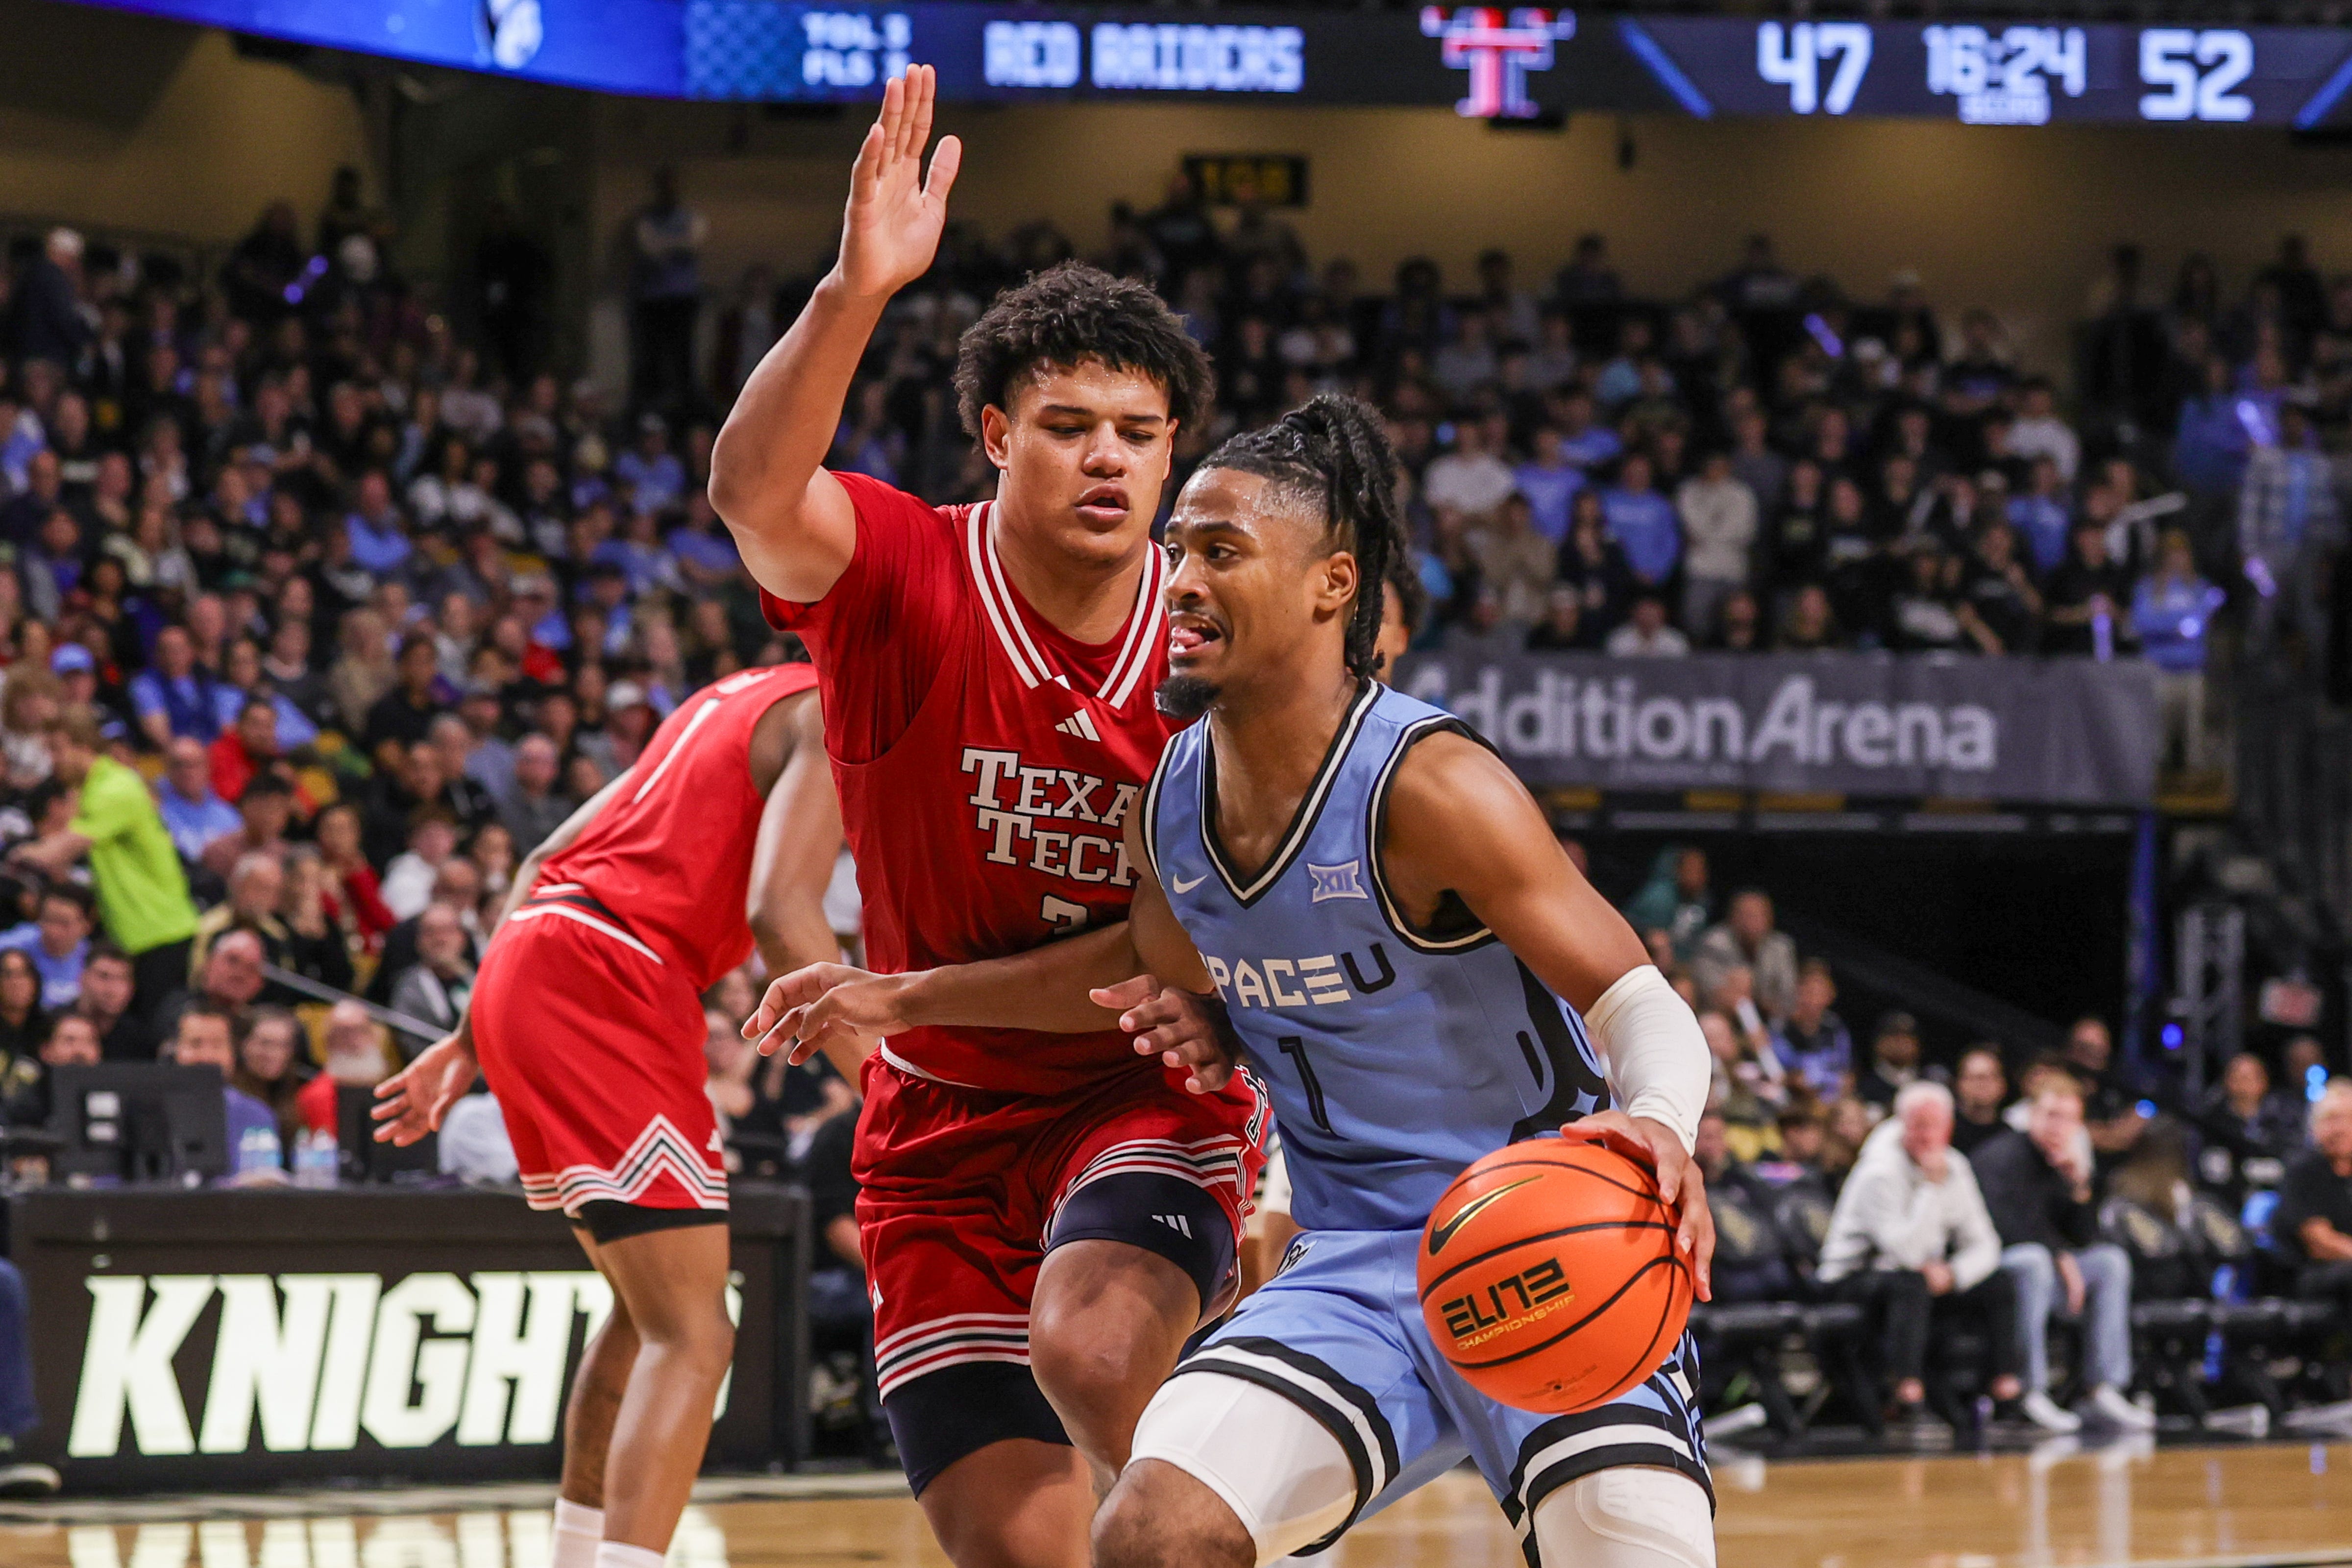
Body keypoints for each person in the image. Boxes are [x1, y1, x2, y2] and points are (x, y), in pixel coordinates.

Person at [758, 395, 1718, 1568]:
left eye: (1220, 552)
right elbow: (1130, 971)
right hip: (1356, 1262)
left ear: (1330, 584)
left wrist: (1657, 1125)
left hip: (1543, 1231)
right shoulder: (1171, 798)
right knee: (1153, 1534)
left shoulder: (1429, 785)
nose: (1180, 581)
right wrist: (910, 997)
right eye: (1177, 552)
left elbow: (1634, 996)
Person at [709, 71, 1267, 1565]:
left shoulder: (1223, 638)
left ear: (1172, 456)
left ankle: (1270, 1501)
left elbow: (1166, 964)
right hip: (938, 1126)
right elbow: (753, 485)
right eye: (1068, 424)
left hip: (1142, 1080)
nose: (1107, 458)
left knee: (1093, 1354)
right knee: (1017, 1550)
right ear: (992, 433)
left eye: (1138, 434)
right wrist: (852, 287)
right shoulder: (900, 572)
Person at [373, 662, 840, 1568]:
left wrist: (469, 1039)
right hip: (613, 973)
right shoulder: (835, 712)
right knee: (696, 1332)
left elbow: (544, 856)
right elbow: (781, 918)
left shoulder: (731, 696)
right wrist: (895, 1086)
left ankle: (576, 1556)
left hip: (533, 949)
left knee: (647, 1314)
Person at [1817, 1081, 2021, 1426]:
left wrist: (1955, 1274)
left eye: (1934, 1125)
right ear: (1902, 1124)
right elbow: (1905, 1252)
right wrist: (1930, 1188)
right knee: (1909, 1284)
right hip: (1850, 1277)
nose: (1927, 1135)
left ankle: (2004, 1384)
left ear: (1949, 1127)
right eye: (1918, 1125)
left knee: (1999, 1282)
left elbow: (1986, 1243)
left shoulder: (1955, 1166)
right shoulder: (1878, 1171)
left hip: (1919, 1277)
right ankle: (1907, 1388)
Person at [1971, 1079, 2152, 1433]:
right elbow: (2002, 1229)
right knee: (2034, 1261)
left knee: (2109, 1261)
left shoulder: (2060, 1162)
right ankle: (2030, 1390)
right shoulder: (1999, 1156)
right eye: (2052, 1115)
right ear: (2031, 1114)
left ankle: (2103, 1388)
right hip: (1996, 1275)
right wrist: (2060, 1257)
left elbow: (2086, 1237)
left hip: (2047, 1276)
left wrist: (2079, 1188)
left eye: (2070, 1120)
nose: (2059, 1127)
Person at [13, 707, 199, 1023]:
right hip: (137, 935)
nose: (51, 760)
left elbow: (58, 852)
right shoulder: (97, 788)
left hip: (161, 933)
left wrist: (15, 853)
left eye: (57, 749)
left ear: (84, 747)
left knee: (153, 1035)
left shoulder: (115, 788)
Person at [2271, 1079, 2352, 1320]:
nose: (2341, 1128)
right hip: (2311, 1272)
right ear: (2315, 1127)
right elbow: (2320, 1243)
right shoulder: (2303, 1169)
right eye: (2332, 1119)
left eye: (2349, 1118)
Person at [166, 1002, 280, 1164]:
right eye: (195, 1043)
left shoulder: (257, 1116)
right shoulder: (148, 1112)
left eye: (217, 1045)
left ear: (233, 1055)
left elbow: (262, 1183)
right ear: (175, 1050)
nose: (207, 1057)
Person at [1690, 889, 1798, 1023]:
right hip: (1719, 1019)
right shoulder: (1714, 943)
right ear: (1733, 918)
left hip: (1771, 1023)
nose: (1752, 922)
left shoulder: (1781, 948)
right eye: (1747, 915)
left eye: (1759, 916)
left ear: (1770, 919)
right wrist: (1743, 998)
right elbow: (1711, 992)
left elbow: (1788, 997)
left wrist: (1756, 996)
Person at [388, 901, 475, 1035]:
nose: (440, 939)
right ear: (418, 941)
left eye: (448, 930)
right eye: (431, 932)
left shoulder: (477, 978)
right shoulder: (408, 989)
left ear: (463, 937)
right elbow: (412, 1043)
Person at [0, 882, 94, 1008]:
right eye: (48, 920)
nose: (53, 931)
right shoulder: (13, 945)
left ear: (86, 926)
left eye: (64, 923)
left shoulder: (93, 961)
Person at [1771, 958, 1853, 1102]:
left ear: (1830, 995)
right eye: (1809, 992)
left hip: (1831, 1101)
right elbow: (1781, 1075)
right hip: (1792, 1100)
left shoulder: (1835, 1028)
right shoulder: (1781, 1027)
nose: (1814, 1000)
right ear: (1798, 991)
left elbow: (1846, 1074)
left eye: (1820, 993)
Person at [155, 736, 243, 867]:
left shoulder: (228, 815)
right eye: (178, 765)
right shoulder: (157, 811)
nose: (186, 772)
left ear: (207, 767)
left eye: (193, 765)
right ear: (167, 769)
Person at [1854, 1012, 1928, 1116]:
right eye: (1894, 1037)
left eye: (1908, 1038)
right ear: (1879, 1042)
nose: (1901, 1044)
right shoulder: (1863, 1084)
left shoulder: (1926, 1084)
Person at [1950, 1045, 2009, 1156]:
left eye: (1989, 1077)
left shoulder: (2010, 1138)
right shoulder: (1944, 1131)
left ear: (2002, 1085)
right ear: (1959, 1084)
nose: (1981, 1085)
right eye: (1974, 1078)